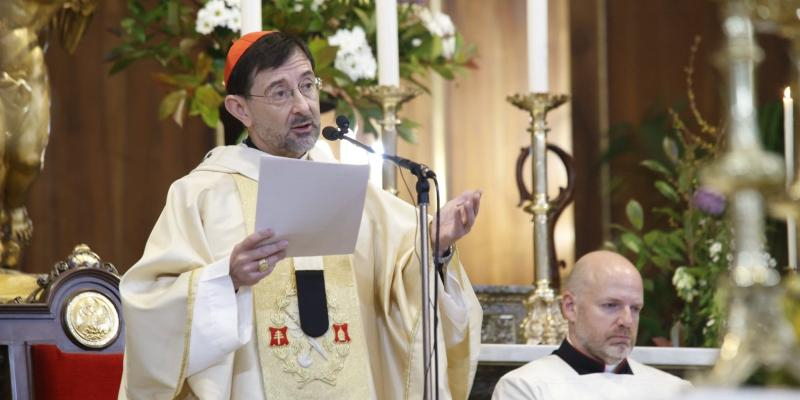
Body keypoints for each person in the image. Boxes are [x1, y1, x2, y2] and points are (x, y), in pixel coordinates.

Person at [118, 31, 483, 400]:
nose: (303, 105)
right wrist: (224, 279)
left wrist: (434, 246)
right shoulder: (202, 195)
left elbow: (401, 287)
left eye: (307, 85)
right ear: (239, 108)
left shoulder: (348, 187)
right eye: (280, 92)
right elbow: (150, 307)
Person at [492, 251, 690, 400]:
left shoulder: (676, 391)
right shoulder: (524, 387)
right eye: (611, 305)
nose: (627, 321)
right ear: (570, 307)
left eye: (636, 308)